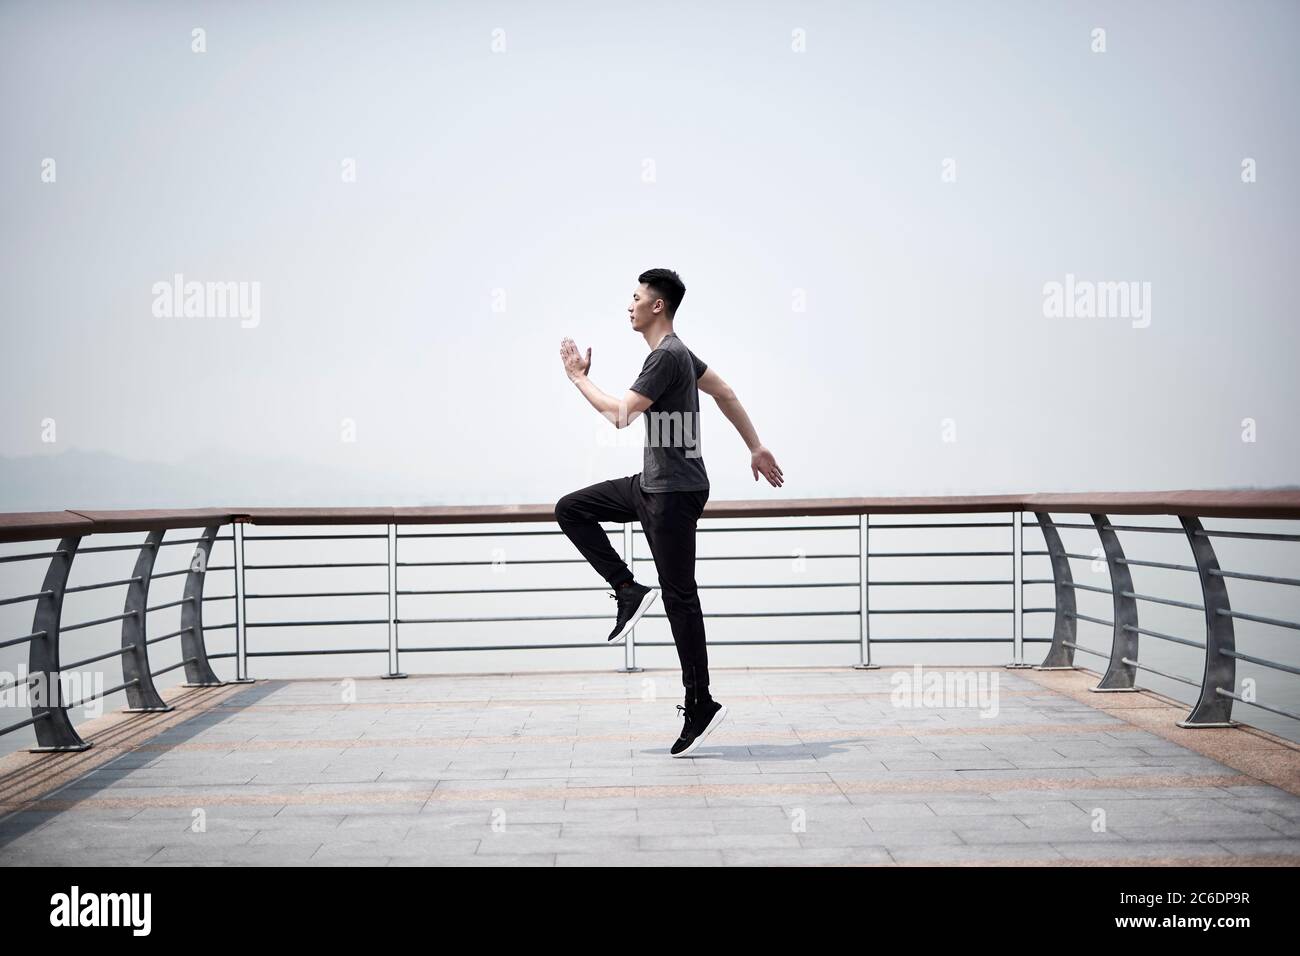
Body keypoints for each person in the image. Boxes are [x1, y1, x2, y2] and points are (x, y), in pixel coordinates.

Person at [556, 268, 784, 757]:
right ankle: (628, 588)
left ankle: (699, 700)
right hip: (651, 485)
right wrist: (756, 446)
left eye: (635, 297)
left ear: (657, 306)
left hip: (673, 494)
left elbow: (620, 416)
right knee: (572, 509)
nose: (630, 304)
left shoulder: (665, 357)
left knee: (682, 599)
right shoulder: (680, 355)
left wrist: (578, 379)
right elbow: (725, 393)